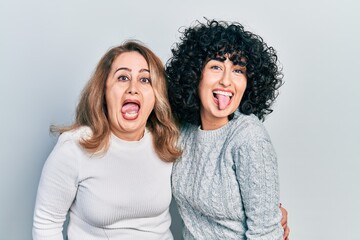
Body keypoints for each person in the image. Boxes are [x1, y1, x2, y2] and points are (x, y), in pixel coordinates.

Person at [32, 41, 182, 240]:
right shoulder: (74, 148)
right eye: (122, 77)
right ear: (103, 91)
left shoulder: (167, 142)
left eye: (145, 80)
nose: (133, 88)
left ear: (156, 95)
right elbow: (46, 223)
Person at [166, 19, 289, 239]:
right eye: (216, 66)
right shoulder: (184, 131)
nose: (226, 80)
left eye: (238, 70)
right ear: (195, 74)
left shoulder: (249, 138)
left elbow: (266, 232)